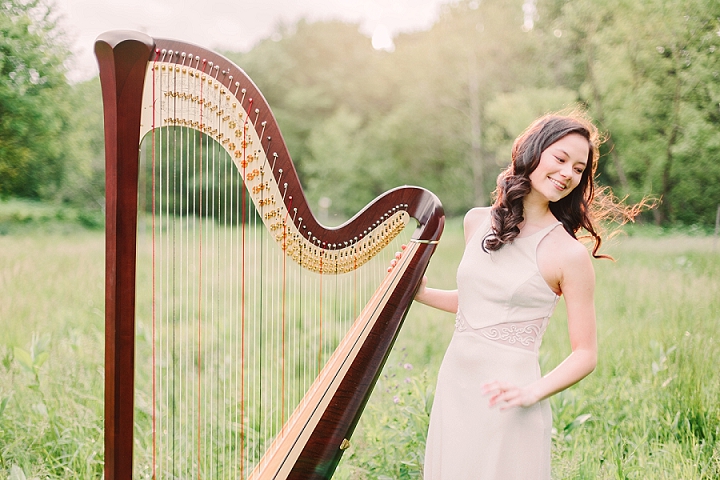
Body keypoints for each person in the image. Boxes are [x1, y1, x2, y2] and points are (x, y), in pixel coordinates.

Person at [392, 111, 636, 479]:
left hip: (511, 393)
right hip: (456, 381)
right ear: (533, 152)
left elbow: (585, 354)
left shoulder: (569, 255)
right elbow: (479, 303)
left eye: (579, 168)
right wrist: (421, 293)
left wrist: (531, 393)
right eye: (560, 158)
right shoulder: (476, 221)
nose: (568, 172)